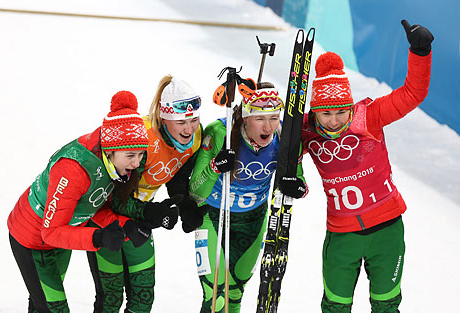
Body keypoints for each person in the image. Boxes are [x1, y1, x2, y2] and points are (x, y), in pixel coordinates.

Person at [297, 20, 433, 312]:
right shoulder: (306, 130)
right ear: (315, 112)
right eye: (326, 113)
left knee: (386, 306)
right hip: (342, 234)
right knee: (335, 306)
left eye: (341, 112)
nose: (334, 120)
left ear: (350, 106)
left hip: (386, 230)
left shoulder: (369, 116)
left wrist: (420, 53)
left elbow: (412, 94)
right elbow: (283, 153)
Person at [8, 90, 152, 312]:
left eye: (141, 154)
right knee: (52, 307)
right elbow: (51, 231)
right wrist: (99, 237)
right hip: (31, 238)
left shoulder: (111, 164)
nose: (136, 163)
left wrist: (126, 225)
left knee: (42, 303)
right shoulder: (74, 170)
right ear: (111, 150)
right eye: (131, 156)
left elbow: (93, 205)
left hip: (62, 234)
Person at [88, 75, 205, 313]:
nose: (189, 128)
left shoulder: (196, 138)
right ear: (164, 118)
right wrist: (153, 212)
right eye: (182, 122)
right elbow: (117, 199)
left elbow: (178, 176)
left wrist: (184, 205)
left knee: (142, 300)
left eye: (194, 120)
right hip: (105, 217)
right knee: (110, 300)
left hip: (139, 217)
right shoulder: (144, 141)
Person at [189, 82, 308, 313]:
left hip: (253, 219)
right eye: (260, 118)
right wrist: (215, 167)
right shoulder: (220, 132)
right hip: (213, 216)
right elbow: (195, 191)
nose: (269, 126)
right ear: (245, 117)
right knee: (215, 295)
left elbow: (300, 183)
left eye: (274, 117)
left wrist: (297, 188)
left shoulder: (285, 137)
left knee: (234, 293)